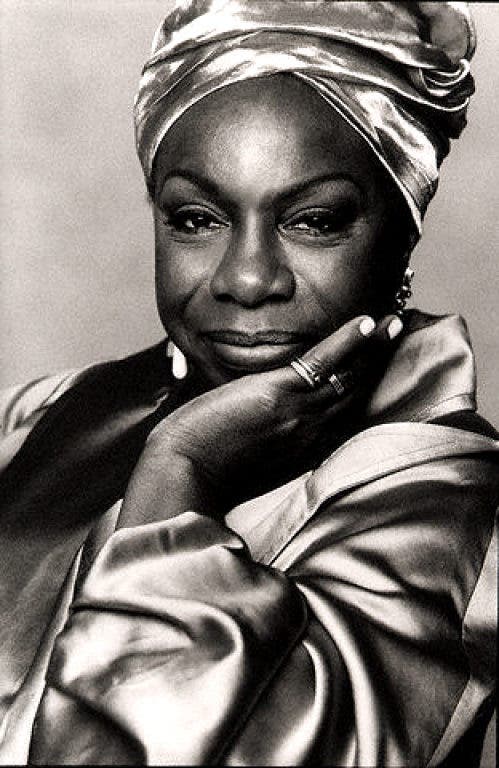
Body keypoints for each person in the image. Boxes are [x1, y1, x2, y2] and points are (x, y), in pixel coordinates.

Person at [0, 1, 497, 765]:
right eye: (196, 218)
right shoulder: (41, 417)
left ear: (402, 233)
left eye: (314, 220)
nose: (248, 278)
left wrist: (179, 469)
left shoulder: (450, 507)